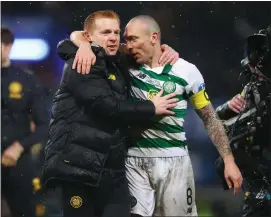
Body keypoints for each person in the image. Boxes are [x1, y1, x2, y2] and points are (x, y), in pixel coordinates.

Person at [67, 14, 243, 217]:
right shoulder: (125, 63)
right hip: (134, 161)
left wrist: (229, 161)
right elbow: (78, 35)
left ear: (153, 37)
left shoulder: (186, 71)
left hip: (175, 162)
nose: (128, 45)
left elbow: (210, 119)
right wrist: (84, 46)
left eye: (133, 39)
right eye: (126, 39)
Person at [42, 10, 178, 217]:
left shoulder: (115, 62)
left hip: (112, 170)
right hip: (79, 169)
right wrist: (151, 107)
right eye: (106, 32)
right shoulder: (81, 64)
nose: (113, 37)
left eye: (116, 32)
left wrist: (164, 51)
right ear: (89, 37)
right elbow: (107, 106)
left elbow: (143, 53)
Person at [1, 27, 50, 217]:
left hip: (17, 162)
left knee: (24, 212)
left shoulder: (27, 80)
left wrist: (19, 146)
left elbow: (44, 125)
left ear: (7, 47)